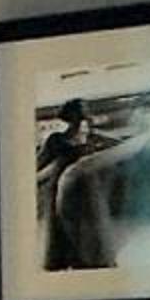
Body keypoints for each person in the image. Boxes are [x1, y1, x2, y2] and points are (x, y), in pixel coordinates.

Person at [35, 97, 120, 271]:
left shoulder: (93, 139)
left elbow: (117, 148)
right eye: (78, 117)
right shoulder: (56, 140)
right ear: (70, 118)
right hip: (60, 189)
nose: (81, 122)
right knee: (62, 230)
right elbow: (37, 165)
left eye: (83, 117)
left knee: (89, 228)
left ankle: (90, 262)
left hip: (87, 191)